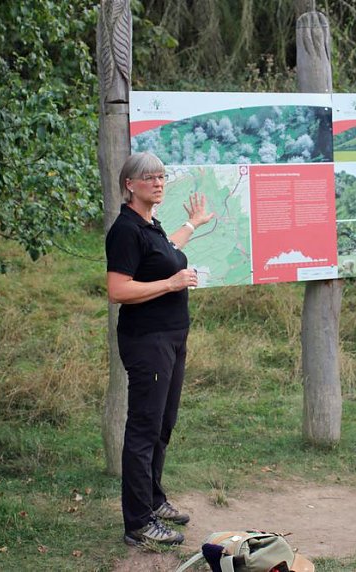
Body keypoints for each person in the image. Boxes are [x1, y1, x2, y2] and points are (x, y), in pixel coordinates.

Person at [105, 152, 213, 546]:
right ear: (129, 184)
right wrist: (171, 284)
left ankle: (153, 499)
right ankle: (138, 523)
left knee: (163, 424)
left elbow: (165, 249)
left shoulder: (150, 225)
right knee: (144, 429)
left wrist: (192, 224)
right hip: (147, 341)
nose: (158, 182)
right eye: (149, 177)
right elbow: (118, 290)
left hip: (171, 337)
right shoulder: (125, 230)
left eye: (162, 176)